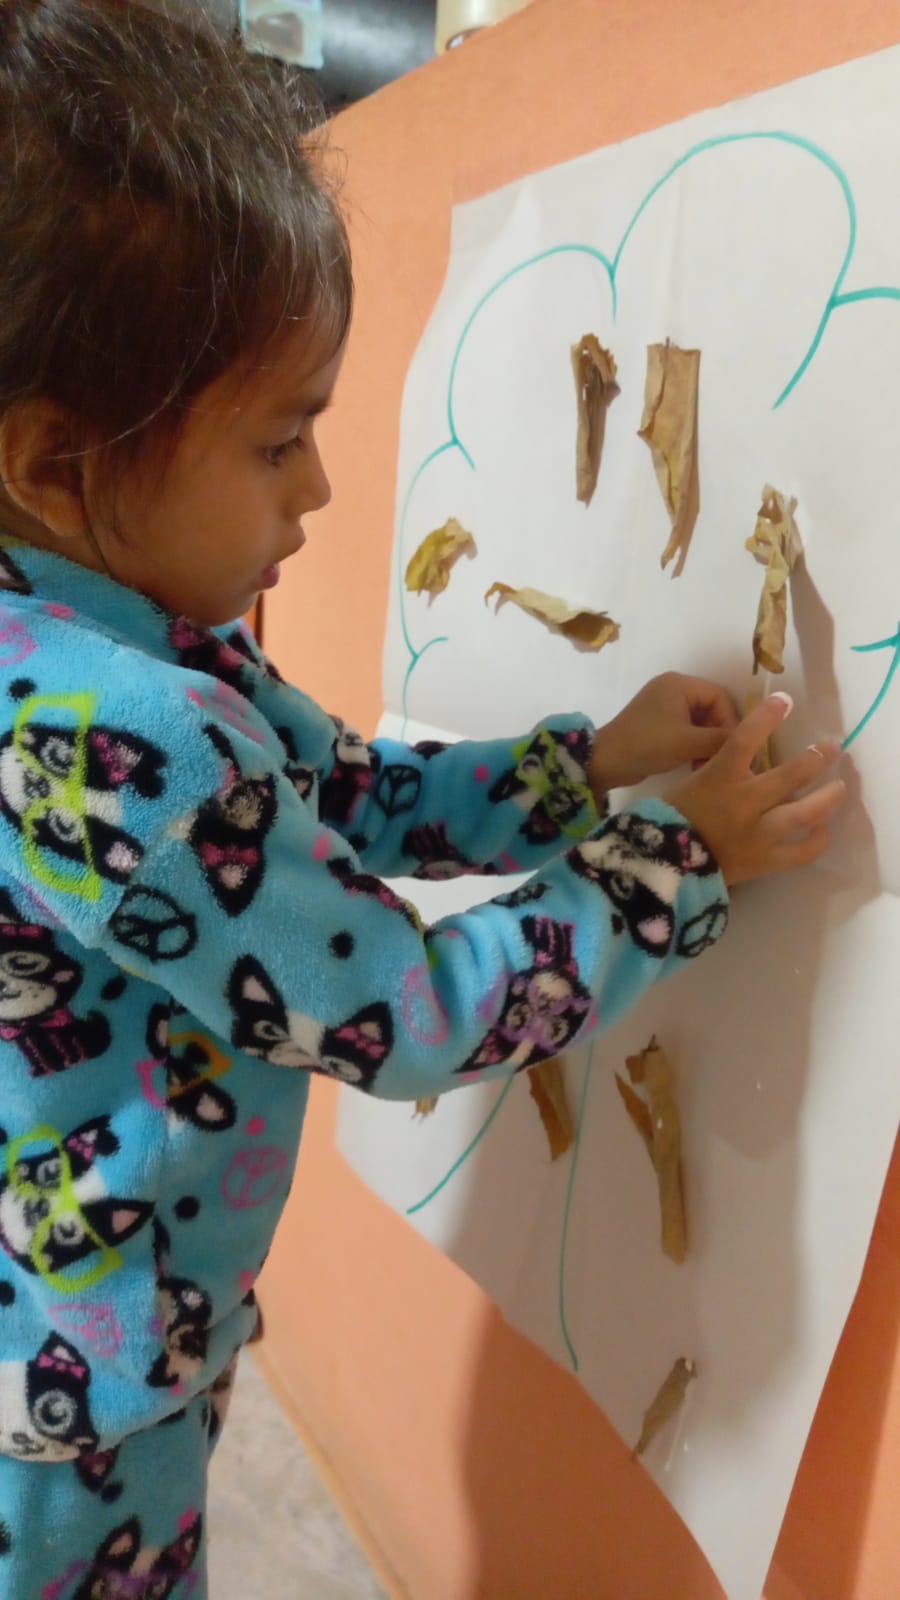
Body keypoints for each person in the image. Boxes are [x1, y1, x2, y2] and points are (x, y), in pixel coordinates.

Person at [0, 1, 844, 1593]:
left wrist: (585, 764)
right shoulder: (122, 744)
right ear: (55, 463)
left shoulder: (113, 641)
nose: (319, 491)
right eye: (278, 444)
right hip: (79, 1393)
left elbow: (341, 798)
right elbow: (403, 1011)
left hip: (98, 1308)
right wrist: (674, 860)